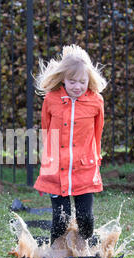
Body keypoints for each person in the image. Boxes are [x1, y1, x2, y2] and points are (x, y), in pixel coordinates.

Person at [33, 44, 108, 246]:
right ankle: (55, 251)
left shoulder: (96, 102)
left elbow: (97, 133)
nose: (77, 86)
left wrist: (96, 159)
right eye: (72, 81)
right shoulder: (51, 99)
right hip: (56, 168)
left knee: (86, 219)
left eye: (82, 82)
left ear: (89, 80)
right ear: (63, 79)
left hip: (84, 167)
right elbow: (47, 132)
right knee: (60, 218)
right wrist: (46, 166)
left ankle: (85, 248)